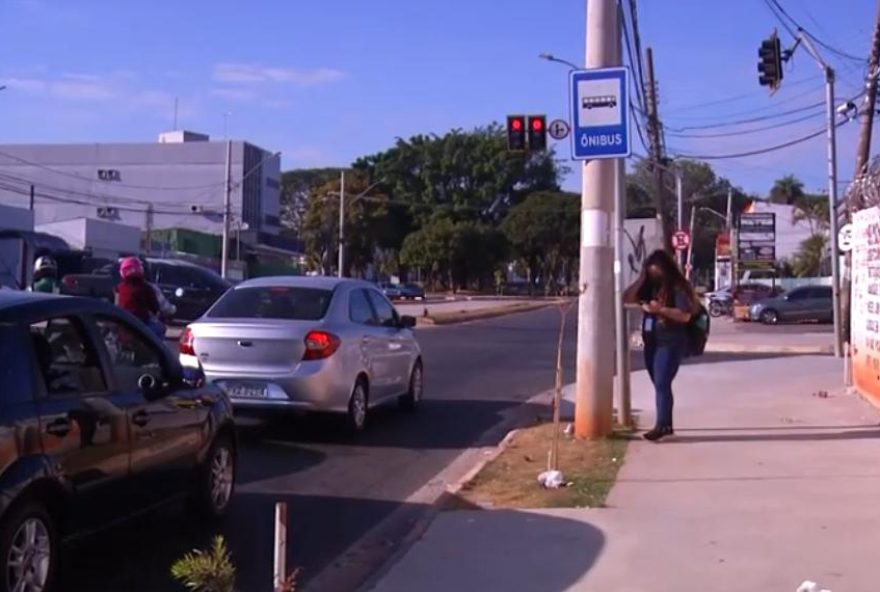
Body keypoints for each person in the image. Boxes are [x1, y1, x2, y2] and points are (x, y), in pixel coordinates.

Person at [624, 249, 698, 442]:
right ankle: (666, 424)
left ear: (665, 270)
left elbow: (685, 315)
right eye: (650, 273)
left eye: (657, 273)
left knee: (662, 383)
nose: (654, 276)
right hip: (652, 342)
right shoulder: (649, 286)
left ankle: (662, 425)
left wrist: (660, 310)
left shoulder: (678, 288)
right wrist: (641, 281)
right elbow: (628, 298)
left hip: (671, 341)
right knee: (659, 384)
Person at [116, 257, 163, 338]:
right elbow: (155, 307)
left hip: (122, 322)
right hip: (140, 324)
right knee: (161, 328)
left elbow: (116, 304)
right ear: (140, 270)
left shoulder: (119, 287)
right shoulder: (146, 287)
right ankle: (153, 350)